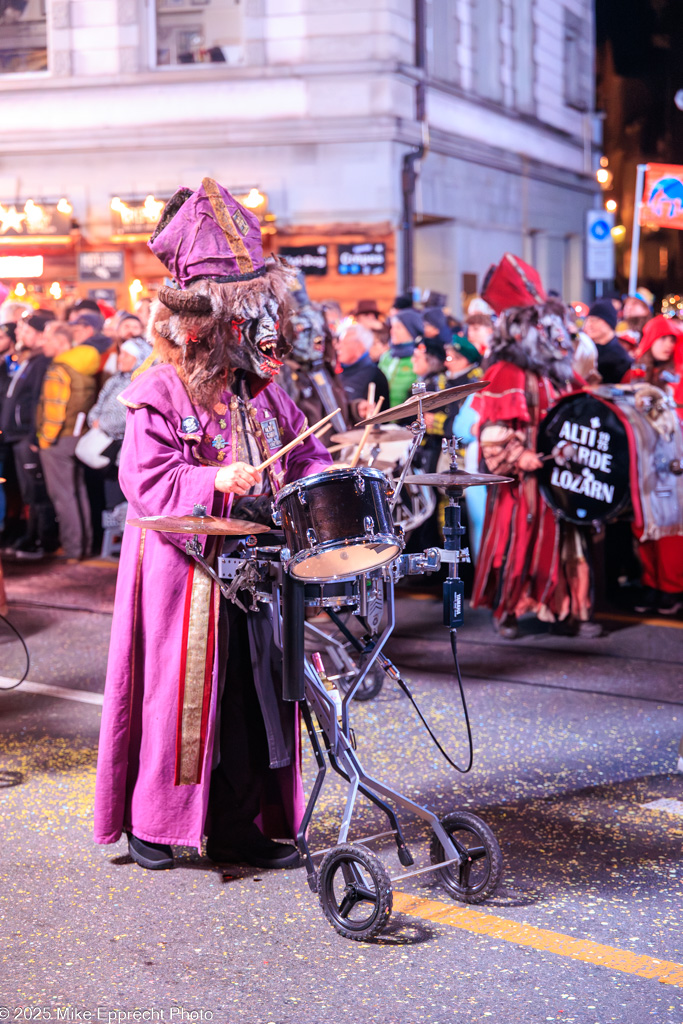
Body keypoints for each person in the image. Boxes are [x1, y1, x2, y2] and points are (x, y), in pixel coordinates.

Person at [94, 178, 332, 872]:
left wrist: (313, 477)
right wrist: (213, 479)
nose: (243, 332)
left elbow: (308, 453)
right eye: (229, 321)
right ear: (192, 323)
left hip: (255, 573)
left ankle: (236, 827)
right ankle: (154, 824)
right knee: (177, 702)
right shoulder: (156, 389)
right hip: (184, 577)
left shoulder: (261, 388)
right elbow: (147, 484)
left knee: (250, 707)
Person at [470, 302, 587, 638]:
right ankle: (507, 609)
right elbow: (491, 425)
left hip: (561, 475)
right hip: (521, 483)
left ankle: (564, 608)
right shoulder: (505, 370)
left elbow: (583, 405)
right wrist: (518, 454)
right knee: (515, 542)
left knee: (565, 541)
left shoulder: (560, 369)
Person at [624, 315, 683, 615]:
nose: (668, 344)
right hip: (642, 464)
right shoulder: (634, 374)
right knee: (644, 526)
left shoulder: (680, 375)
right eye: (663, 337)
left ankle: (671, 589)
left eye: (673, 339)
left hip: (674, 466)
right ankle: (651, 583)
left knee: (672, 528)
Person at [35, 321, 101, 562]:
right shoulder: (84, 366)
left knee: (63, 496)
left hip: (59, 439)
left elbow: (55, 410)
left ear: (62, 342)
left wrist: (44, 440)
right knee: (77, 493)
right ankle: (84, 546)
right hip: (78, 435)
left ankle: (72, 550)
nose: (44, 342)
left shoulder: (59, 368)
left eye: (49, 338)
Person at [0, 311, 58, 558]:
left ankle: (43, 540)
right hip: (17, 435)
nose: (19, 334)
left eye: (25, 330)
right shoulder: (30, 358)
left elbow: (37, 401)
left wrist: (34, 436)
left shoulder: (41, 361)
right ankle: (31, 535)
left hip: (27, 435)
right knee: (27, 491)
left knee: (36, 490)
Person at [334, 319, 389, 421]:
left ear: (360, 345)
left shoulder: (375, 375)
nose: (338, 347)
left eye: (343, 342)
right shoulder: (337, 372)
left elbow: (383, 420)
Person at [582, 300, 632, 384]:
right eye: (587, 320)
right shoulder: (586, 349)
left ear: (609, 322)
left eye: (594, 320)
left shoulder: (620, 358)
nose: (589, 325)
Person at [379, 308, 421, 407]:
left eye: (398, 327)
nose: (393, 331)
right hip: (382, 415)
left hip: (406, 416)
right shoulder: (386, 356)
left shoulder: (417, 357)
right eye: (392, 327)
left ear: (411, 330)